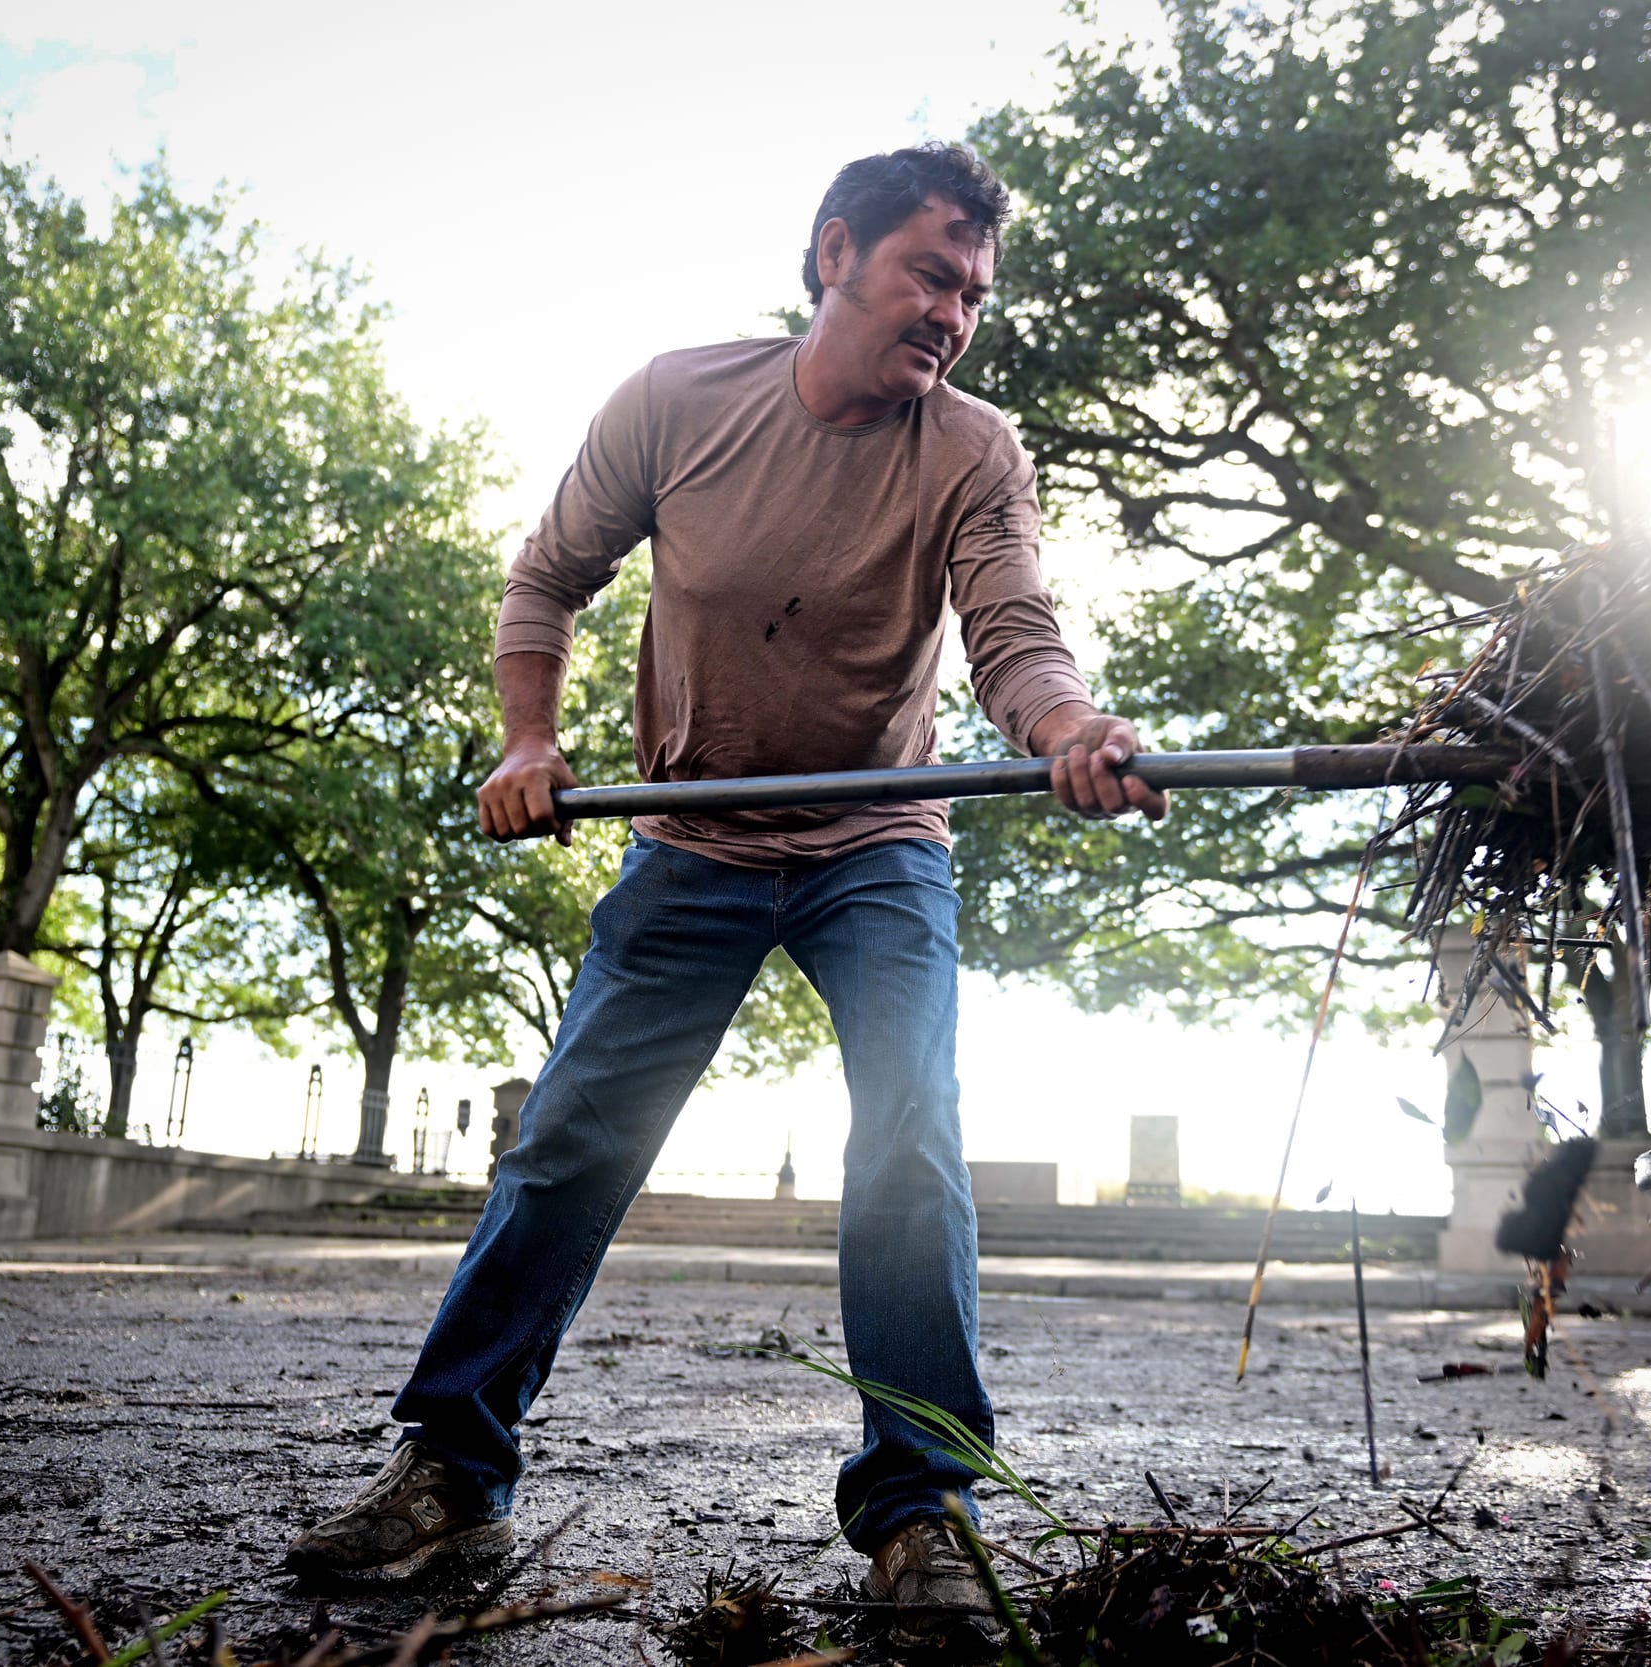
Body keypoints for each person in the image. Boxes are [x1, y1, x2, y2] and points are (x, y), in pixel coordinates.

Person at [287, 143, 1164, 1638]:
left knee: (910, 1140)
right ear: (834, 254)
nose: (953, 315)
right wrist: (528, 740)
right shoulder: (675, 402)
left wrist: (1072, 729)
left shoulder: (972, 449)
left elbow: (1014, 630)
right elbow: (544, 577)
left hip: (877, 844)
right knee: (571, 1140)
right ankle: (453, 1466)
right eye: (929, 276)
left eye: (972, 294)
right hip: (689, 839)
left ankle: (921, 1505)